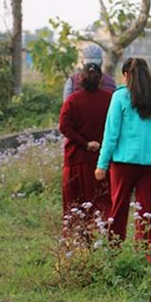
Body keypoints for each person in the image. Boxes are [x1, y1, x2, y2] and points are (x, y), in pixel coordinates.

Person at [95, 57, 151, 240]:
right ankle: (146, 250)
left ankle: (114, 248)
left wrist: (102, 164)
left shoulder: (119, 97)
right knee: (147, 211)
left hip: (123, 163)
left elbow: (111, 134)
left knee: (118, 208)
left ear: (126, 75)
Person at [59, 62, 113, 218]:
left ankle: (77, 240)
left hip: (76, 160)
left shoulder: (72, 100)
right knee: (102, 205)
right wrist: (100, 143)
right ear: (100, 79)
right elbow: (116, 127)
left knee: (75, 206)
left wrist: (85, 143)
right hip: (102, 161)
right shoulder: (109, 99)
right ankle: (104, 238)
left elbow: (64, 126)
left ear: (81, 78)